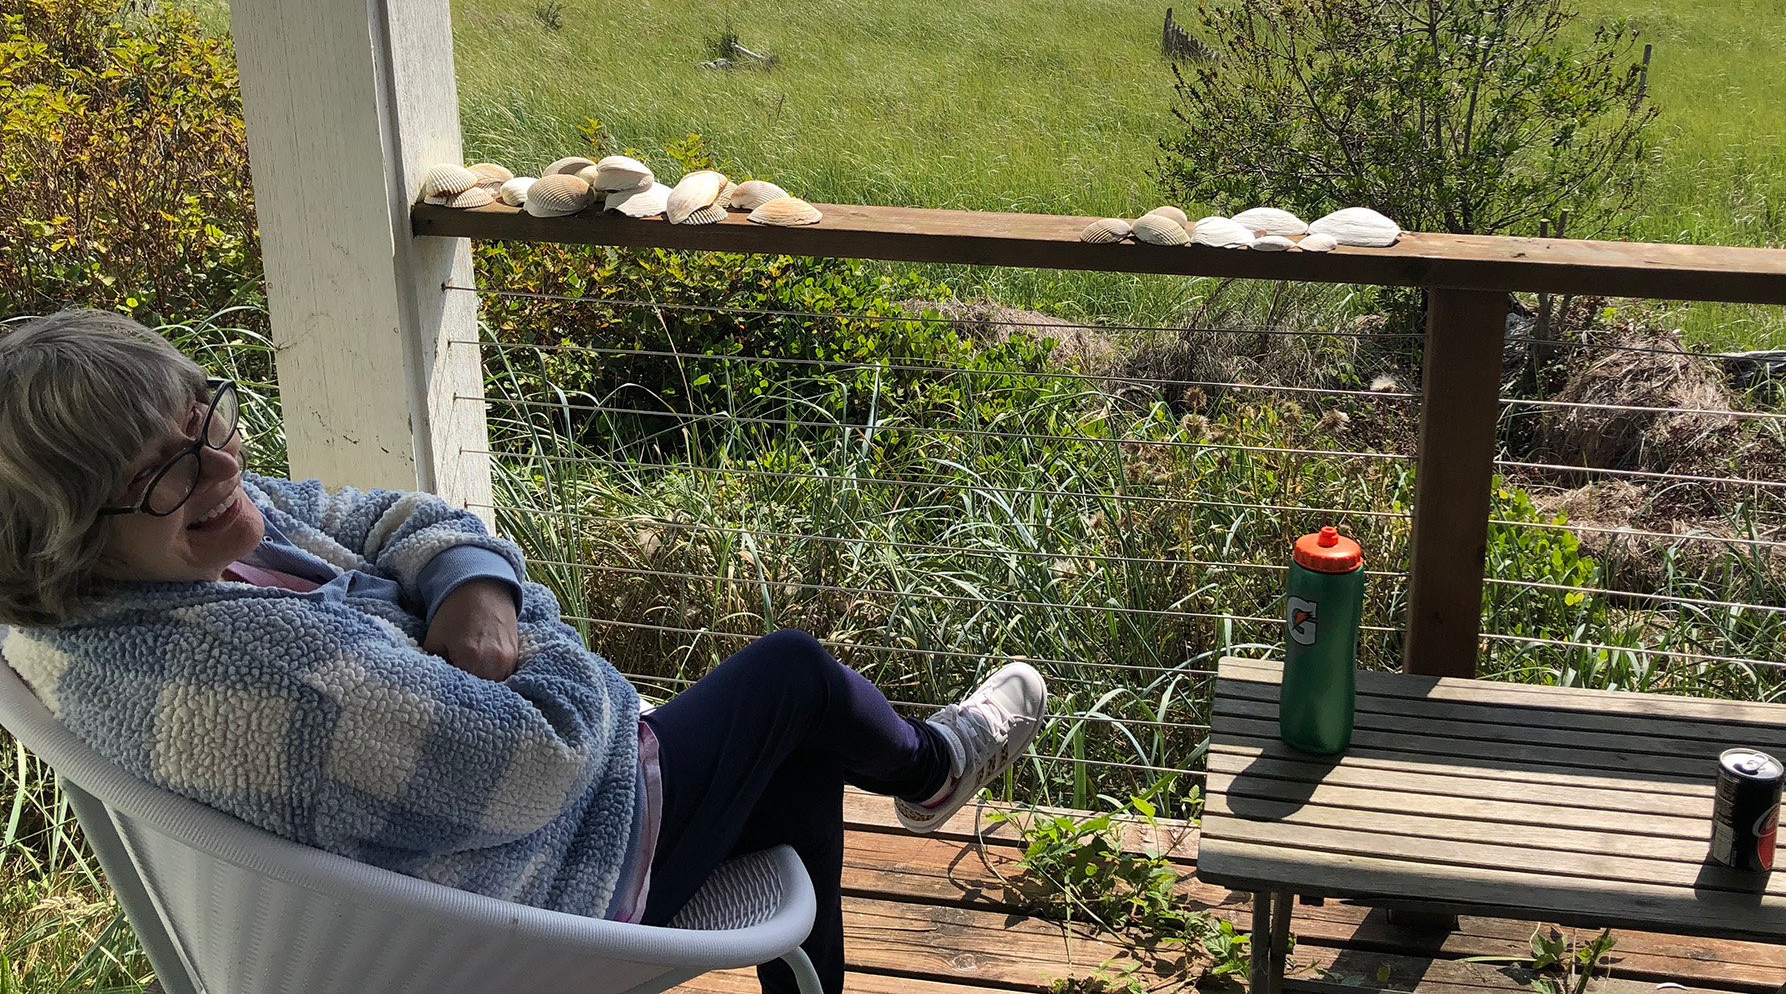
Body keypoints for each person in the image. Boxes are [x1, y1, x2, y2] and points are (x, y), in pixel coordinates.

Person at [0, 309, 1047, 994]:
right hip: (520, 904)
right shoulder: (249, 681)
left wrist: (473, 587)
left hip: (447, 851)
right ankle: (926, 767)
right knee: (790, 680)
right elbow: (548, 742)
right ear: (65, 537)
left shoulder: (154, 570)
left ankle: (919, 774)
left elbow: (373, 510)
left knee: (790, 750)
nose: (222, 464)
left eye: (204, 418)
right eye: (168, 470)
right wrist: (530, 623)